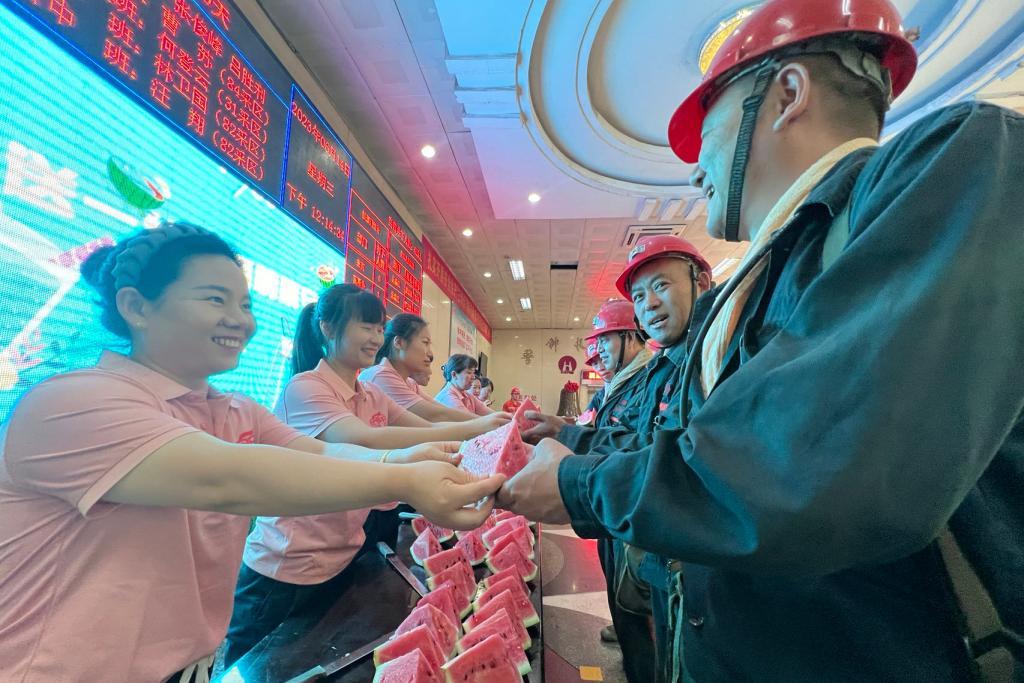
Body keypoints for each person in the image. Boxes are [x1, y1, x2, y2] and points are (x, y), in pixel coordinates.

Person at [500, 1, 1024, 680]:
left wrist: (579, 483)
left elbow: (804, 461)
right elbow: (695, 446)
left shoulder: (960, 162)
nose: (696, 171)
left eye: (708, 130)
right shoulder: (744, 292)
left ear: (788, 93)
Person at [0, 223, 503, 683]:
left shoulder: (235, 409)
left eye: (245, 305)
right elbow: (227, 478)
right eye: (216, 300)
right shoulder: (71, 402)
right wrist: (405, 478)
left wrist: (409, 461)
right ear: (136, 307)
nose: (241, 321)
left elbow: (320, 454)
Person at [226, 286, 510, 665]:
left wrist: (485, 429)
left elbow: (424, 425)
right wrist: (448, 442)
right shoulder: (306, 387)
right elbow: (361, 439)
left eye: (379, 328)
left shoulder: (371, 393)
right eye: (366, 327)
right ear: (328, 328)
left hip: (344, 558)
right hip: (285, 568)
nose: (377, 338)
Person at [360, 313, 481, 423]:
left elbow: (439, 409)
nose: (430, 354)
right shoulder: (381, 375)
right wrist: (485, 423)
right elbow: (436, 415)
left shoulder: (410, 383)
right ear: (399, 343)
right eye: (425, 342)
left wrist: (486, 422)